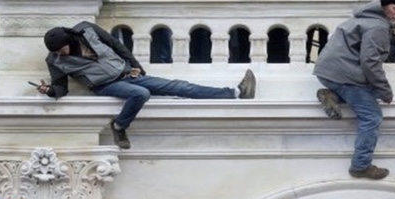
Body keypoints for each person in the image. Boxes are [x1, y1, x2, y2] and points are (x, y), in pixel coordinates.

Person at [37, 22, 256, 149]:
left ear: (70, 40)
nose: (60, 54)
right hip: (106, 86)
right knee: (140, 94)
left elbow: (116, 45)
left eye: (61, 49)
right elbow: (61, 88)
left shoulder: (87, 30)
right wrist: (50, 91)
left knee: (179, 87)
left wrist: (137, 67)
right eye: (56, 52)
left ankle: (234, 93)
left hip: (128, 74)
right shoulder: (55, 61)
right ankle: (119, 126)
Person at [312, 0, 395, 180]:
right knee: (372, 116)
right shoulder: (377, 26)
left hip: (327, 72)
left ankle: (333, 95)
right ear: (384, 6)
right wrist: (385, 90)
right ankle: (360, 166)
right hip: (345, 74)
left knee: (366, 94)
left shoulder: (361, 18)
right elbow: (370, 62)